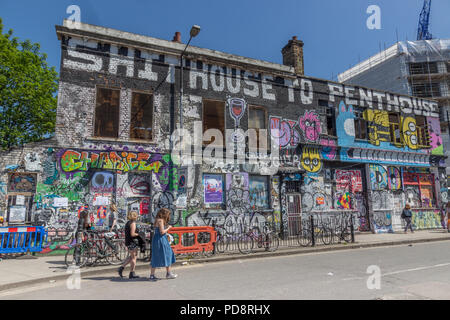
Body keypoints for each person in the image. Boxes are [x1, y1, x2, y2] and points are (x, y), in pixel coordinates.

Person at [149, 208, 177, 281]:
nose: (168, 216)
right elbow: (162, 232)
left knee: (156, 256)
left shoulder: (157, 219)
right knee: (168, 254)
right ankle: (168, 273)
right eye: (167, 214)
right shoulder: (161, 220)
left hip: (157, 239)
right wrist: (168, 228)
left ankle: (152, 275)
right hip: (161, 239)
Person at [118, 211, 140, 279]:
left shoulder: (128, 222)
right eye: (136, 215)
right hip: (132, 242)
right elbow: (133, 234)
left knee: (131, 256)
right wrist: (139, 234)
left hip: (128, 241)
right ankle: (132, 273)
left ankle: (121, 268)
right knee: (134, 258)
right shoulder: (133, 223)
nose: (137, 216)